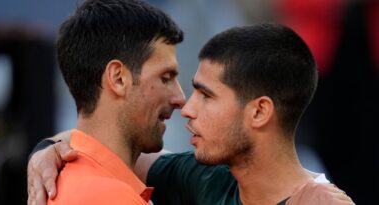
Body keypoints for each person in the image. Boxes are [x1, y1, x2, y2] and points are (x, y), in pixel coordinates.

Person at [28, 21, 354, 205]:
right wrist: (45, 151)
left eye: (206, 96)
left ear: (259, 112)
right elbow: (102, 143)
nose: (187, 107)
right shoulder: (206, 180)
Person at [35, 0, 185, 204]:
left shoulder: (76, 182)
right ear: (118, 78)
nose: (180, 98)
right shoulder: (108, 196)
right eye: (165, 78)